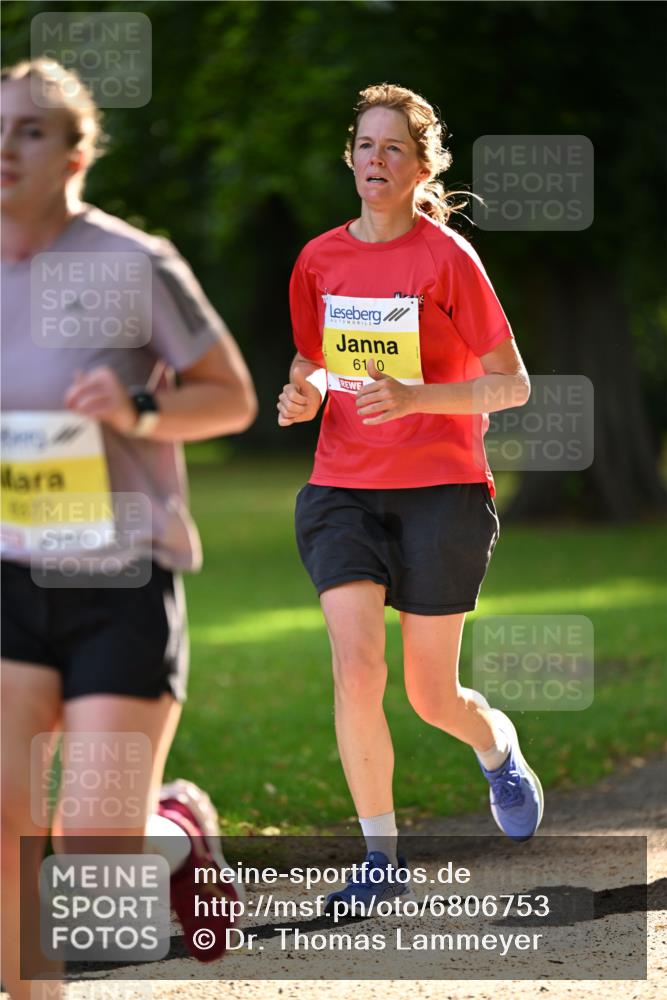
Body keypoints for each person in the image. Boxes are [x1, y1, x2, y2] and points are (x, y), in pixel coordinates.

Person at [0, 59, 256, 997]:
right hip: (8, 572)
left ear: (76, 152)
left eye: (30, 129)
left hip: (118, 575)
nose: (5, 146)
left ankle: (179, 832)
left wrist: (142, 407)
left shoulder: (133, 262)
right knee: (7, 822)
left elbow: (230, 397)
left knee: (94, 842)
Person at [277, 83, 543, 912]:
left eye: (394, 148)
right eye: (364, 145)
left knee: (431, 696)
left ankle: (495, 745)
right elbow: (312, 358)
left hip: (442, 491)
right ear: (348, 157)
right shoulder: (320, 259)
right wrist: (308, 391)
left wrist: (416, 395)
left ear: (421, 165)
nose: (375, 161)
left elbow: (514, 386)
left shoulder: (446, 259)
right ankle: (379, 856)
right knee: (356, 671)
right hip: (341, 490)